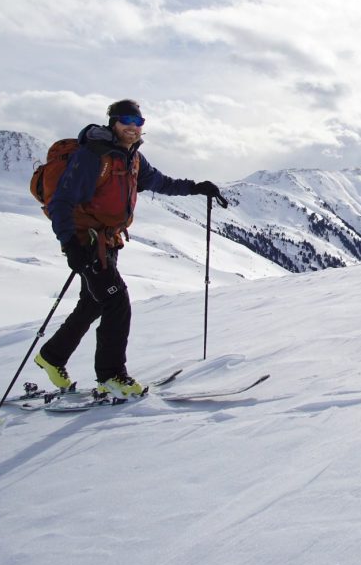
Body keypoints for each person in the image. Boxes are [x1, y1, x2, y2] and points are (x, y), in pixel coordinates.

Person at [34, 99, 224, 398]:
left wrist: (197, 187)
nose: (132, 128)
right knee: (116, 301)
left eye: (138, 122)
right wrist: (70, 244)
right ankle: (112, 376)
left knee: (94, 302)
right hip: (87, 243)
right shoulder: (93, 156)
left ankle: (52, 356)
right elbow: (61, 201)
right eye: (126, 121)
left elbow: (161, 182)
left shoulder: (133, 158)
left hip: (107, 241)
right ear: (113, 122)